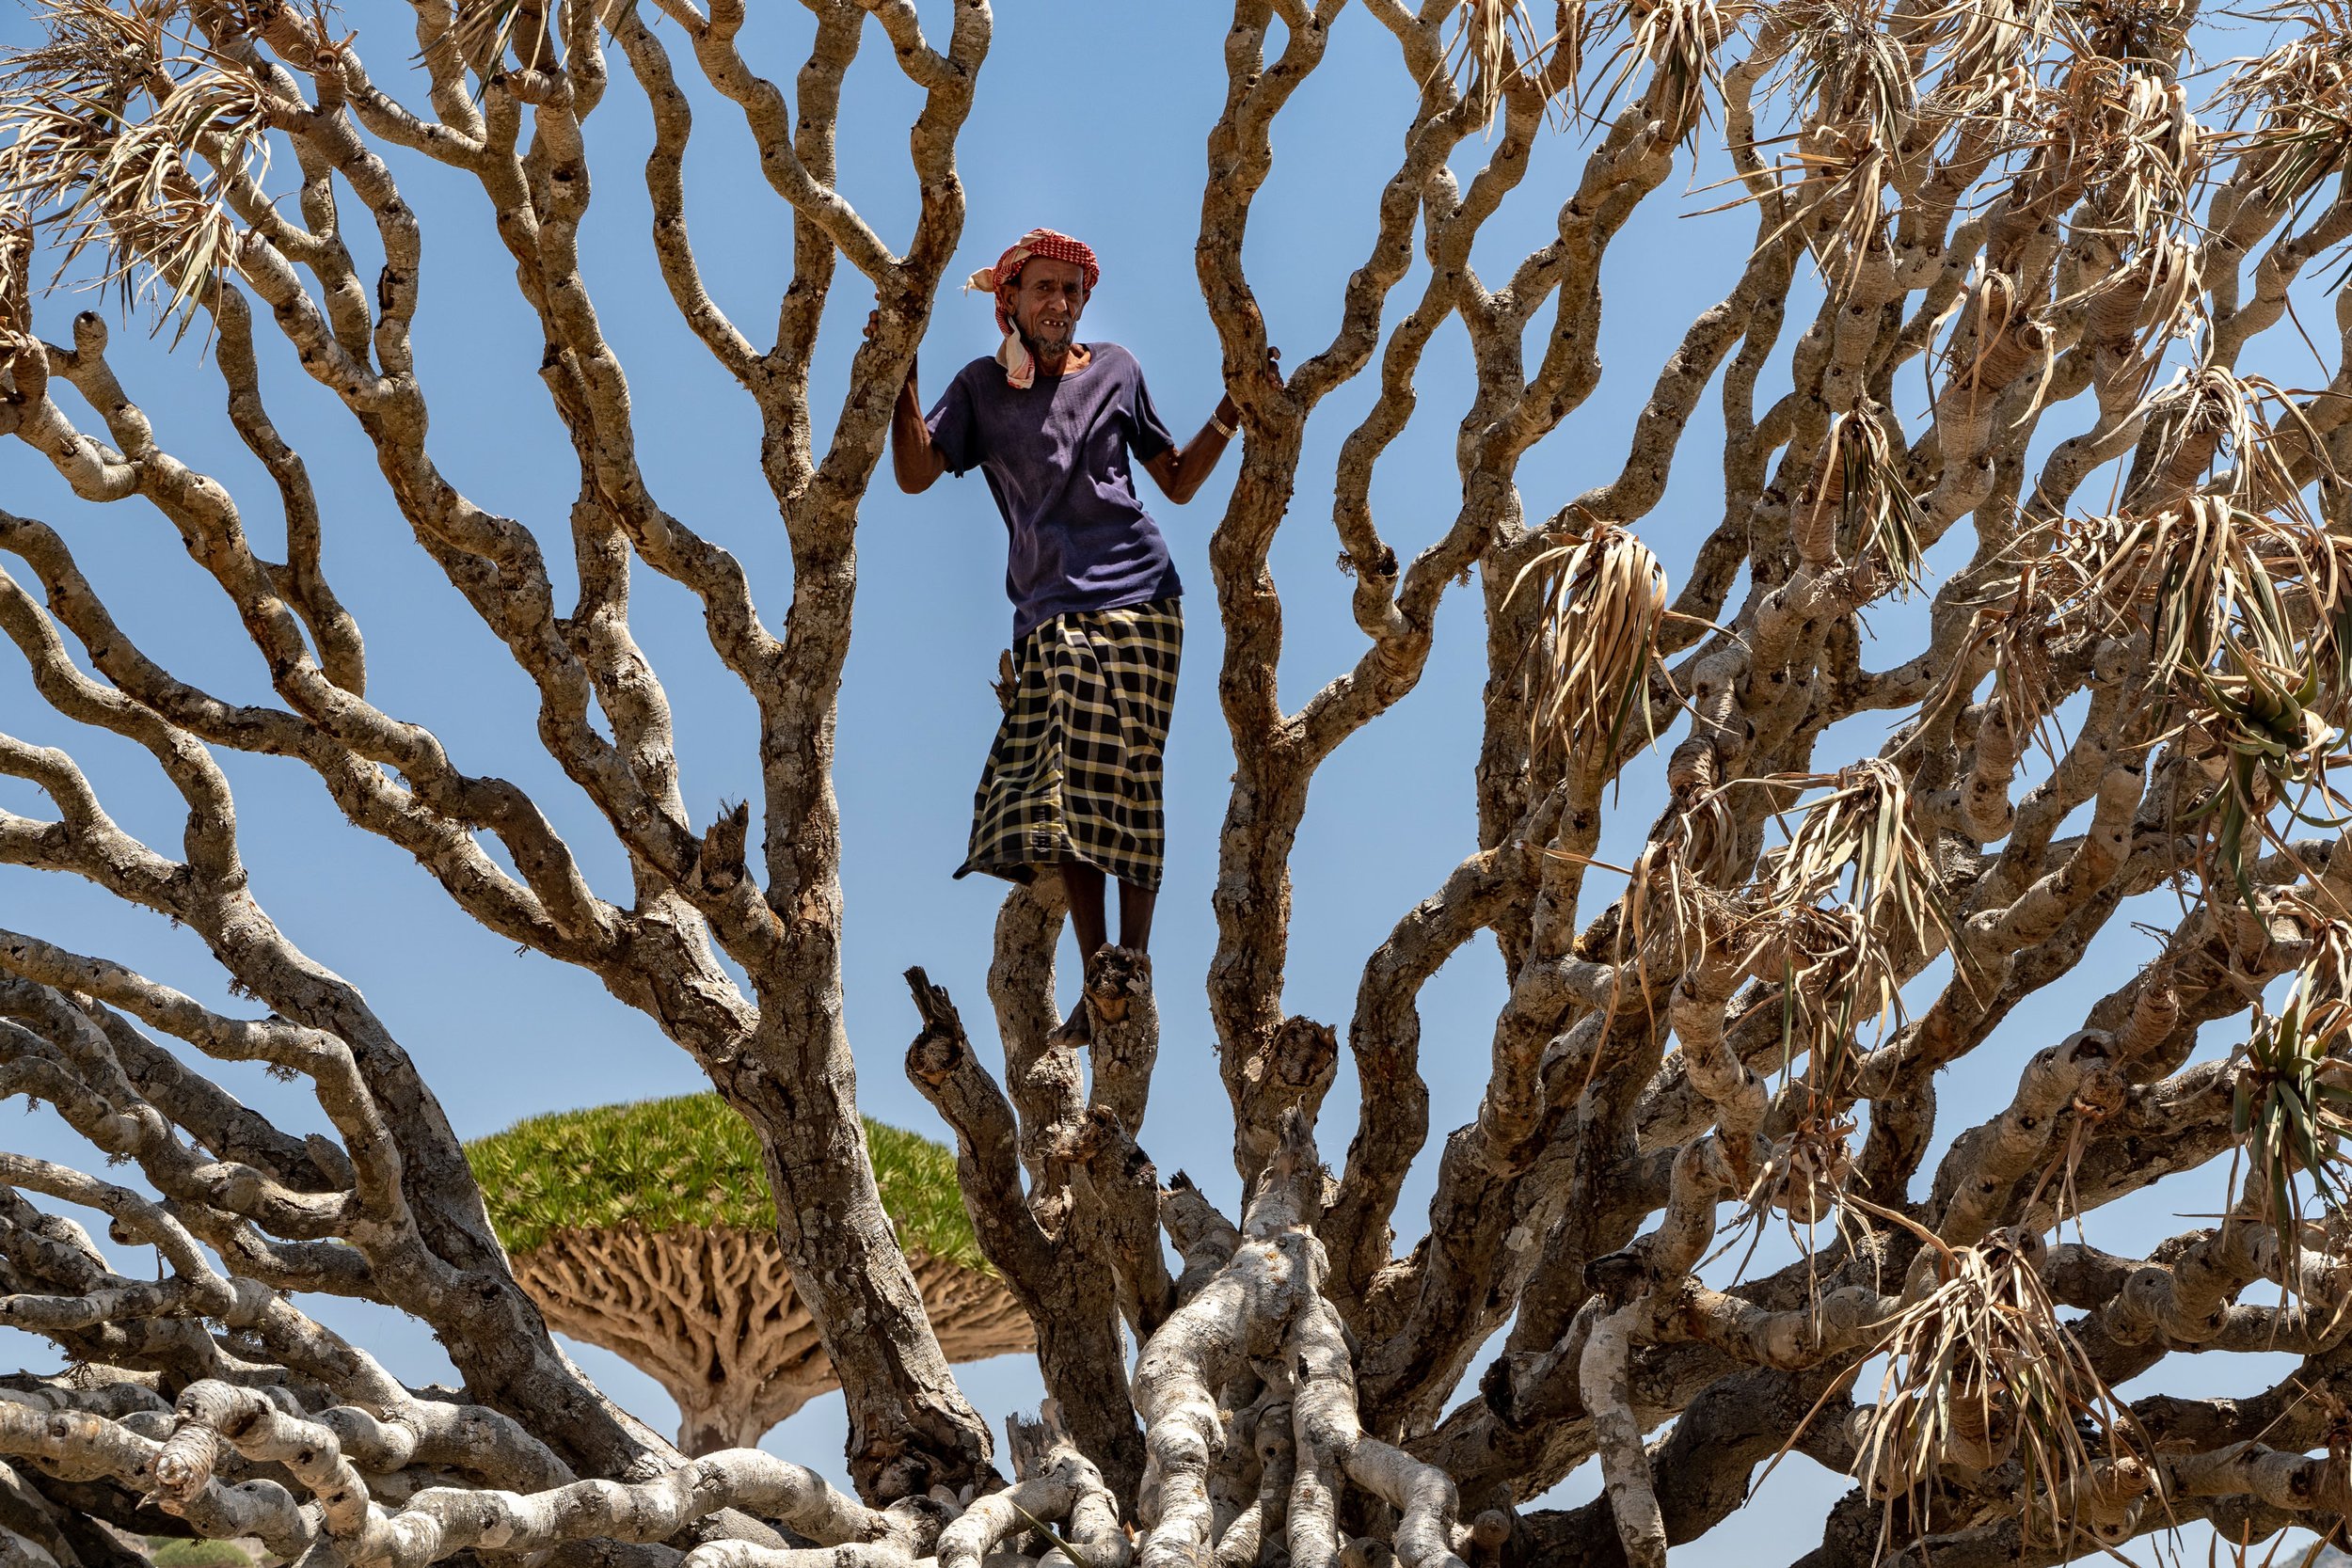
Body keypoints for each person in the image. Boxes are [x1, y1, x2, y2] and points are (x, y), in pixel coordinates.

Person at [887, 228, 1253, 975]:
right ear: (1010, 300)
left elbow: (1176, 478)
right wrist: (901, 371)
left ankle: (1132, 967)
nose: (1059, 302)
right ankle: (1098, 972)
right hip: (1051, 608)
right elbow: (915, 470)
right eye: (1044, 289)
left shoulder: (1117, 370)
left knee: (1133, 774)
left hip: (1146, 596)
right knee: (1070, 788)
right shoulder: (981, 391)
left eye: (1072, 291)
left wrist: (1233, 410)